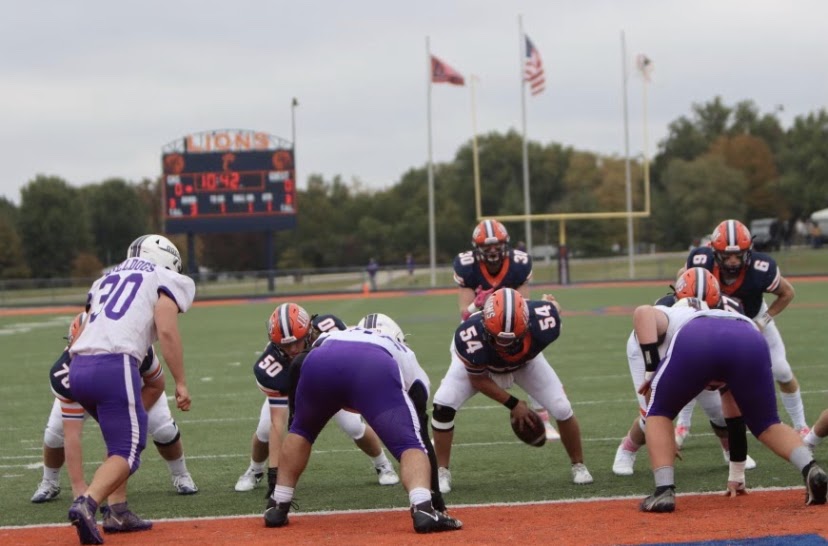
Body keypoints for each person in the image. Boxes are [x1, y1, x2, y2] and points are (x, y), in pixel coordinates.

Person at [263, 314, 462, 534]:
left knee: (301, 431)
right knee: (410, 443)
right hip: (372, 368)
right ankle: (423, 508)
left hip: (320, 363)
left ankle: (278, 504)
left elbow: (299, 362)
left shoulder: (335, 334)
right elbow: (421, 432)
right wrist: (436, 497)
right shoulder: (403, 351)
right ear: (397, 335)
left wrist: (295, 416)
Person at [636, 300, 827, 512]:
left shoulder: (674, 313)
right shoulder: (724, 314)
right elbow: (735, 419)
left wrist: (651, 369)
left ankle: (663, 490)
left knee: (659, 412)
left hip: (697, 336)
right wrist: (737, 474)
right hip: (750, 338)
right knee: (768, 424)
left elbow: (643, 312)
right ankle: (810, 468)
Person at [66, 234, 195, 545]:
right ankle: (87, 503)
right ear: (167, 259)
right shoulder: (165, 277)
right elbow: (165, 328)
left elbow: (82, 325)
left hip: (78, 366)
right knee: (128, 451)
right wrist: (180, 381)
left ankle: (118, 512)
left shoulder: (104, 279)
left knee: (119, 442)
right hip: (115, 362)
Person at [435, 219, 557, 494]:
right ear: (476, 249)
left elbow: (523, 308)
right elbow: (464, 315)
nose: (492, 253)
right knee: (444, 399)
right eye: (486, 248)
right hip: (478, 334)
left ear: (507, 246)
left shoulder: (518, 264)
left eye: (497, 247)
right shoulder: (466, 266)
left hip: (513, 329)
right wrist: (479, 305)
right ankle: (441, 465)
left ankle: (544, 418)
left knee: (534, 356)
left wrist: (502, 305)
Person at [431, 287, 593, 492]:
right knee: (443, 402)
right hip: (484, 369)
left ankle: (578, 464)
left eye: (510, 339)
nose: (503, 345)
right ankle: (442, 470)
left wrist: (551, 304)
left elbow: (552, 308)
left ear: (528, 325)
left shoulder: (544, 321)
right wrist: (514, 404)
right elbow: (478, 380)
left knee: (562, 407)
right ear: (485, 324)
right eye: (497, 337)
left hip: (525, 364)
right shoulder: (470, 336)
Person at [33, 312, 198, 504]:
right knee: (54, 434)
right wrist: (78, 486)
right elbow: (72, 435)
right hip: (85, 387)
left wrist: (129, 417)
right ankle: (49, 481)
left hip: (134, 390)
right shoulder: (65, 372)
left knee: (164, 429)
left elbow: (155, 385)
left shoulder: (134, 348)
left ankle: (181, 474)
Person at [234, 306, 399, 494]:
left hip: (328, 382)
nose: (293, 349)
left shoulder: (331, 329)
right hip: (291, 390)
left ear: (310, 331)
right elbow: (277, 423)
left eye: (297, 341)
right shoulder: (271, 366)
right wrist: (275, 472)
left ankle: (382, 464)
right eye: (285, 345)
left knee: (354, 426)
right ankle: (255, 470)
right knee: (264, 430)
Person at [674, 219, 810, 443]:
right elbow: (684, 277)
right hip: (715, 323)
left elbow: (787, 293)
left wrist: (763, 321)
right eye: (727, 255)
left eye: (739, 254)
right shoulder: (701, 261)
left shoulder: (760, 268)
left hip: (753, 320)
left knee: (783, 371)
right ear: (714, 251)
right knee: (695, 371)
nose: (734, 261)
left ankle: (801, 426)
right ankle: (683, 424)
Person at [612, 268, 757, 477]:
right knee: (651, 415)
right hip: (653, 349)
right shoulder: (667, 309)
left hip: (695, 353)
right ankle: (627, 448)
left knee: (717, 409)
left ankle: (729, 449)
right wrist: (652, 369)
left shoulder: (726, 311)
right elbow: (645, 318)